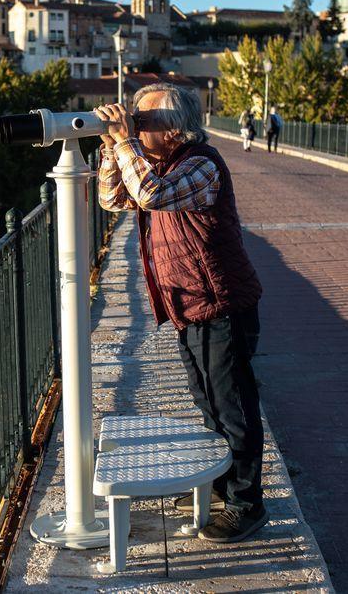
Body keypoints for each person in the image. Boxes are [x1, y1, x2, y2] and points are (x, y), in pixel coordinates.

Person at [94, 84, 268, 543]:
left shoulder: (201, 165)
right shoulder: (159, 165)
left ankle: (247, 504)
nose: (135, 128)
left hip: (222, 304)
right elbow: (114, 199)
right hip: (190, 305)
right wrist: (113, 148)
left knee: (233, 408)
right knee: (208, 403)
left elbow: (151, 195)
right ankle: (219, 485)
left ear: (174, 128)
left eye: (143, 121)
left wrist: (126, 142)